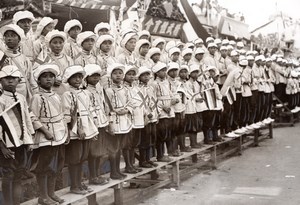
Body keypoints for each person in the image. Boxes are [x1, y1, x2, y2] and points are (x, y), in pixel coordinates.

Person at [30, 64, 68, 204]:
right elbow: (33, 117)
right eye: (44, 77)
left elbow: (62, 115)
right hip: (45, 136)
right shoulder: (37, 97)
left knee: (56, 165)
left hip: (59, 134)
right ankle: (43, 196)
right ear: (39, 81)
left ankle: (52, 193)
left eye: (51, 77)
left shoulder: (57, 96)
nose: (48, 80)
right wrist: (45, 131)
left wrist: (66, 132)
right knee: (44, 166)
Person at [0, 65, 34, 205]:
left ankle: (16, 203)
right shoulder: (1, 100)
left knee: (19, 175)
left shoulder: (21, 97)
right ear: (1, 81)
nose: (10, 81)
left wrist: (29, 139)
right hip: (6, 145)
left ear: (19, 80)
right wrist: (2, 146)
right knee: (8, 175)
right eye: (6, 78)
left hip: (21, 142)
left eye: (14, 78)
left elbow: (26, 118)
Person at [62, 65, 98, 194]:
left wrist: (94, 127)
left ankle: (80, 183)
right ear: (68, 79)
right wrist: (78, 129)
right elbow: (68, 114)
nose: (77, 79)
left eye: (79, 77)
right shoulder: (67, 94)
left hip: (87, 128)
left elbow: (91, 110)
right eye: (74, 77)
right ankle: (74, 186)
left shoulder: (86, 92)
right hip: (75, 129)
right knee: (75, 158)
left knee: (83, 157)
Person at [104, 63, 133, 179]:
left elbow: (131, 103)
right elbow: (106, 108)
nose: (118, 76)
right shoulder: (108, 91)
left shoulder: (125, 90)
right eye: (115, 73)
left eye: (120, 73)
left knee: (120, 147)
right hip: (114, 121)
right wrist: (110, 123)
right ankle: (113, 171)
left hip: (124, 120)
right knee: (113, 148)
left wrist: (126, 110)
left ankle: (118, 170)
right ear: (110, 76)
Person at [83, 64, 110, 185]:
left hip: (101, 121)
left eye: (97, 76)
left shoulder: (99, 89)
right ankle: (92, 176)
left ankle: (98, 174)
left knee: (100, 151)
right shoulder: (85, 91)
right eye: (92, 76)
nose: (95, 78)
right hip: (93, 123)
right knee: (93, 152)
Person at [0, 24, 37, 102]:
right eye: (7, 36)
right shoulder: (2, 57)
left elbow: (31, 78)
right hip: (7, 94)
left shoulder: (25, 59)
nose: (9, 38)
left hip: (24, 92)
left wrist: (36, 92)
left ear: (19, 39)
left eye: (13, 36)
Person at [34, 30, 73, 95]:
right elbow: (35, 74)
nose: (58, 45)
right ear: (49, 44)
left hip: (66, 91)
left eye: (61, 43)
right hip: (49, 92)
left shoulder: (68, 59)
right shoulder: (43, 57)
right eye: (55, 43)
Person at [151, 62, 175, 162]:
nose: (164, 73)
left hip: (169, 108)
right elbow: (153, 98)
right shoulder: (154, 84)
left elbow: (170, 93)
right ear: (157, 73)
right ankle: (160, 155)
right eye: (162, 71)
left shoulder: (167, 82)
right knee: (161, 134)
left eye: (165, 70)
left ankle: (167, 153)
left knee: (167, 133)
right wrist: (162, 106)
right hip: (160, 111)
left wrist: (173, 100)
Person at [123, 65, 144, 173]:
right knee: (128, 144)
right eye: (129, 74)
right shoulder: (123, 89)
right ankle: (128, 165)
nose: (131, 77)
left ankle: (132, 165)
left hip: (138, 117)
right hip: (128, 119)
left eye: (133, 75)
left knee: (135, 143)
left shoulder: (136, 88)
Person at [138, 66, 159, 168]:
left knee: (151, 137)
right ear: (139, 77)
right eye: (143, 75)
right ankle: (142, 160)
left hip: (152, 115)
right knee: (144, 138)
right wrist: (146, 113)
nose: (146, 77)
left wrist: (155, 113)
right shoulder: (138, 88)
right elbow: (140, 103)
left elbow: (154, 101)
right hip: (144, 116)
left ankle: (148, 158)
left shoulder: (150, 88)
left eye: (147, 75)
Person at [167, 62, 185, 156]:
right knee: (172, 130)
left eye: (175, 70)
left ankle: (179, 148)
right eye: (172, 71)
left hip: (179, 108)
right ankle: (171, 150)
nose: (174, 73)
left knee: (179, 129)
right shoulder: (166, 82)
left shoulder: (179, 82)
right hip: (171, 108)